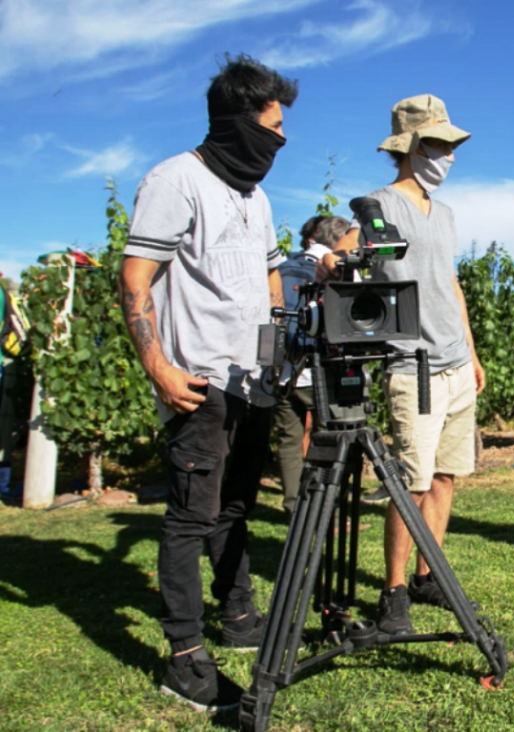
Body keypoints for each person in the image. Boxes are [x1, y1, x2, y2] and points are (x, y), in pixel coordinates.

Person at [119, 55, 297, 713]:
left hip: (251, 380)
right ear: (239, 122)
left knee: (233, 509)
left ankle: (239, 614)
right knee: (190, 518)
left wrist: (276, 346)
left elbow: (272, 276)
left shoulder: (256, 196)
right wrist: (159, 368)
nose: (281, 142)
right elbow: (134, 280)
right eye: (274, 129)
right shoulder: (175, 181)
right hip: (199, 381)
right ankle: (185, 656)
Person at [319, 94, 485, 635]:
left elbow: (451, 284)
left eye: (452, 146)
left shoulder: (447, 213)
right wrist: (332, 266)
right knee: (408, 484)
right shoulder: (379, 206)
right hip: (412, 368)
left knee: (443, 477)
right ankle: (393, 594)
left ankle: (425, 574)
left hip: (456, 365)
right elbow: (338, 255)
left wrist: (473, 352)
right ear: (412, 147)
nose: (450, 157)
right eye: (440, 144)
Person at [273, 215, 352, 514]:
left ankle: (295, 508)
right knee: (332, 442)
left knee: (290, 442)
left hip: (284, 372)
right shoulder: (338, 271)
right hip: (322, 372)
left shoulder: (281, 269)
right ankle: (328, 512)